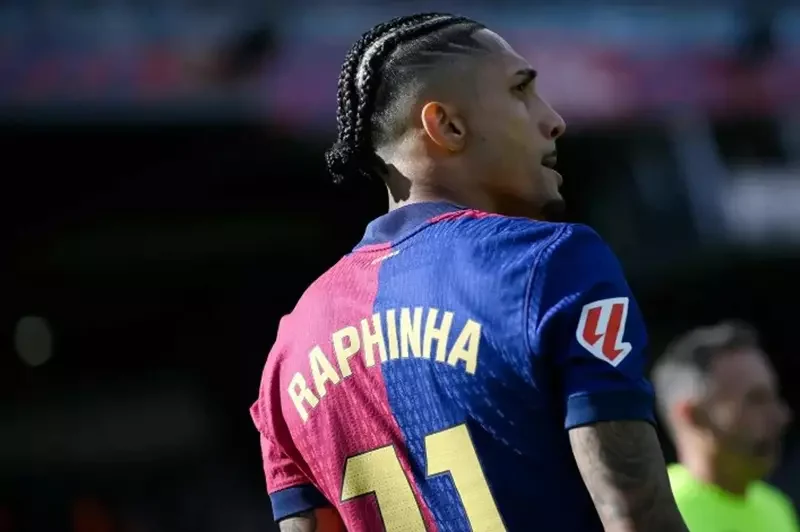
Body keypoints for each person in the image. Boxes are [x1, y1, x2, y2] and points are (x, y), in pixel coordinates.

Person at [250, 12, 687, 532]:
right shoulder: (549, 263)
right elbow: (635, 516)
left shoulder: (287, 354)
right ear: (447, 126)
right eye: (521, 91)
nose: (554, 120)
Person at [652, 321, 797, 531]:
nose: (781, 416)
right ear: (693, 416)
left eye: (773, 397)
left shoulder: (776, 506)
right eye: (755, 400)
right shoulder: (654, 510)